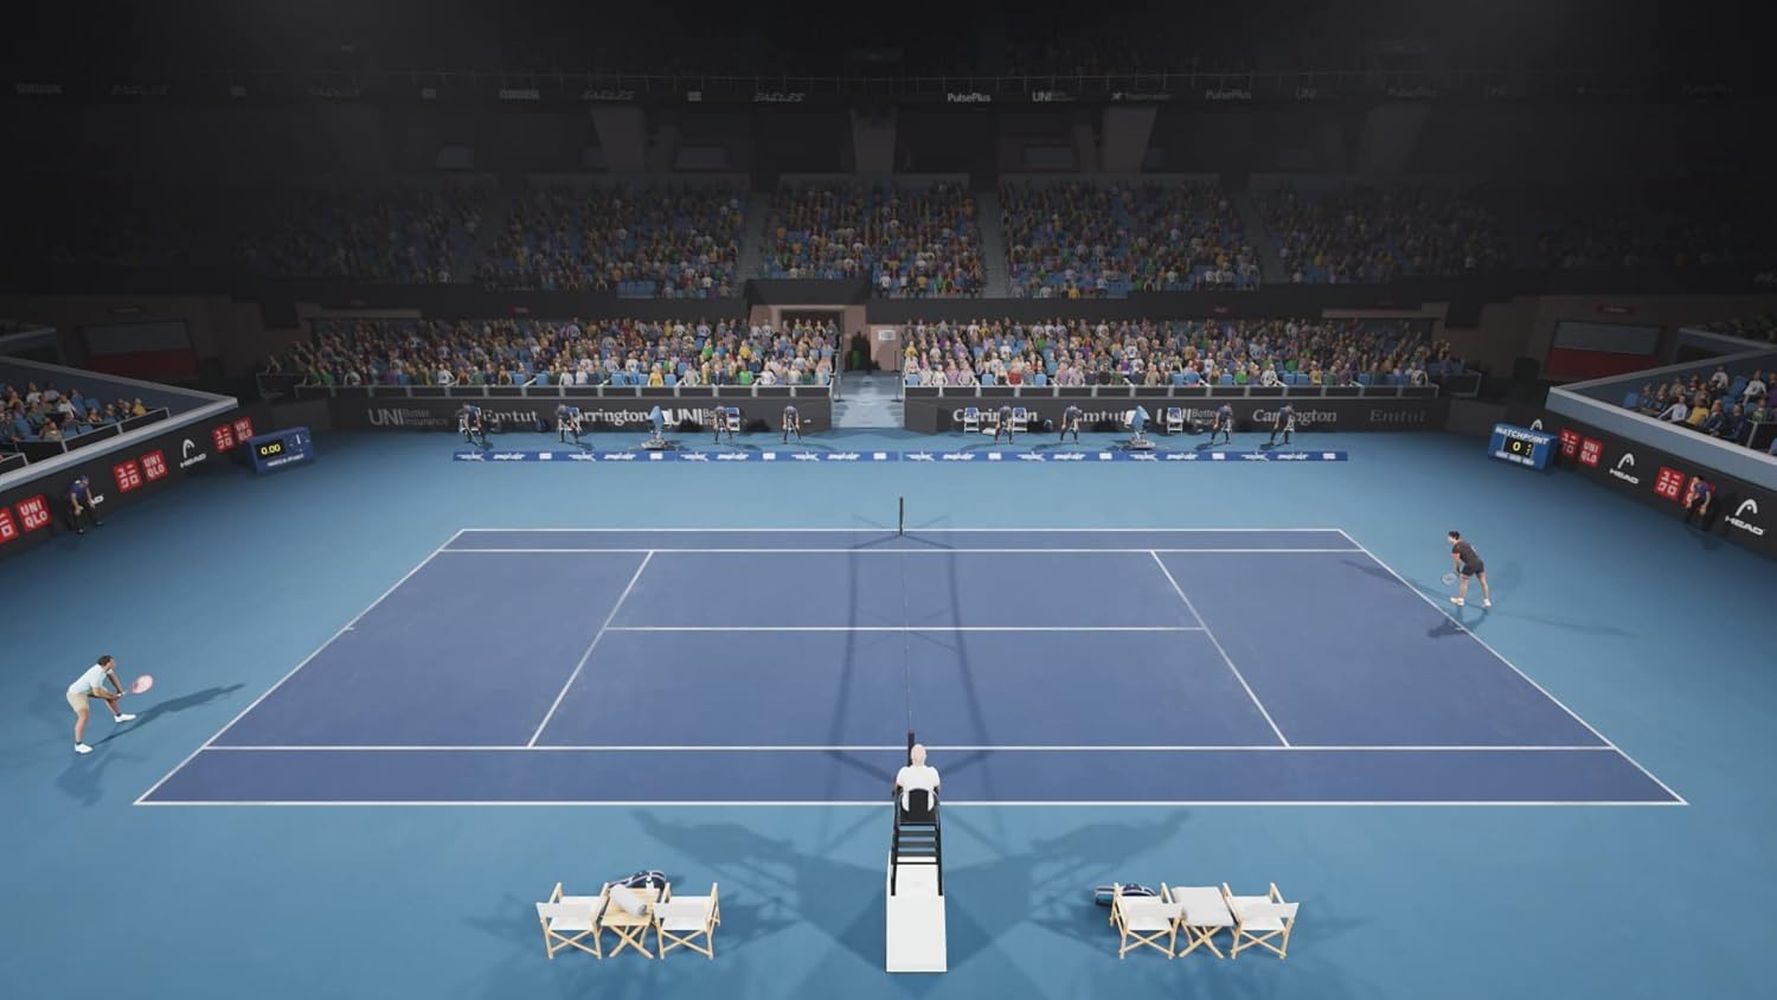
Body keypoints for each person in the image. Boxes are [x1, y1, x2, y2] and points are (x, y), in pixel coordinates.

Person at [67, 654, 133, 754]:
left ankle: (119, 716)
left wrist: (119, 690)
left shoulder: (107, 668)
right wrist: (112, 697)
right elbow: (97, 693)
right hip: (77, 693)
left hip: (91, 687)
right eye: (113, 662)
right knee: (84, 716)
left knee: (108, 695)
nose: (115, 663)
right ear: (107, 663)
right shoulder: (96, 674)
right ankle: (78, 745)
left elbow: (113, 677)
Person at [893, 744, 941, 820]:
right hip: (928, 811)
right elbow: (938, 789)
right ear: (925, 757)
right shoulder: (933, 772)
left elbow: (896, 788)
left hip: (907, 811)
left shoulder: (903, 772)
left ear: (911, 757)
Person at [1447, 530, 1492, 608]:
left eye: (1449, 537)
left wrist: (1457, 570)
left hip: (1470, 565)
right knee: (1483, 582)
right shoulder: (1467, 543)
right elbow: (1475, 552)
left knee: (1463, 581)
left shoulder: (1455, 548)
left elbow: (1457, 561)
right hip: (1479, 563)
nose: (1448, 539)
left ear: (1454, 538)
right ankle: (1487, 601)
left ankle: (1460, 600)